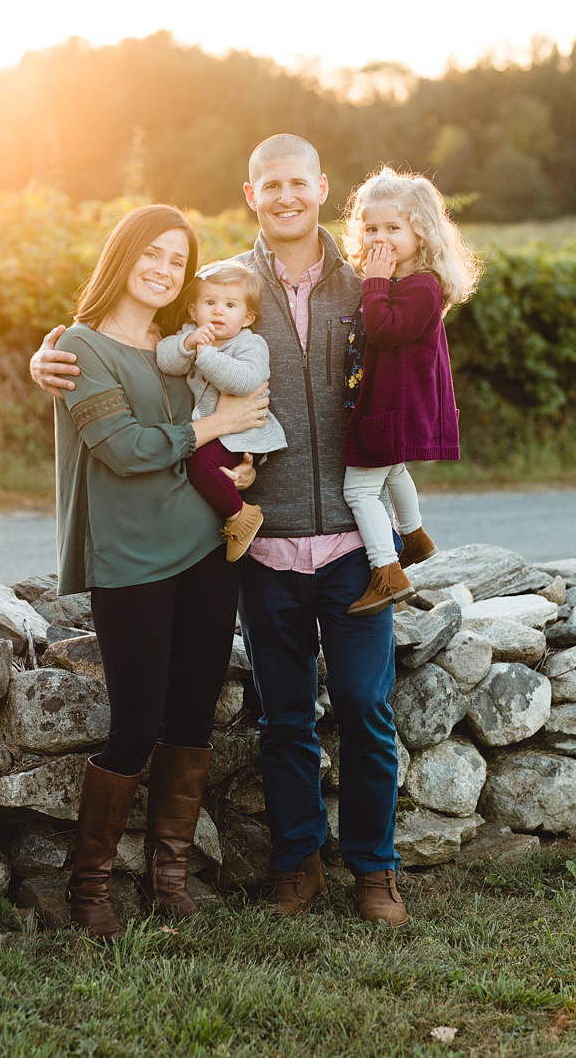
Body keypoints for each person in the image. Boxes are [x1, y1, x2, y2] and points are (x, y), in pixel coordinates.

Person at [32, 135, 410, 926]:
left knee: (359, 709)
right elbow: (138, 367)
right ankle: (285, 866)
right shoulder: (227, 291)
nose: (285, 196)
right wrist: (48, 355)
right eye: (270, 183)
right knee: (274, 720)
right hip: (253, 547)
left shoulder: (365, 282)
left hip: (323, 538)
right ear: (250, 192)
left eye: (297, 183)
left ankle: (368, 873)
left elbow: (423, 329)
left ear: (320, 187)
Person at [53, 204, 270, 939]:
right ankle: (89, 889)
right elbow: (128, 448)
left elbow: (211, 421)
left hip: (208, 546)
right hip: (131, 557)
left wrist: (235, 463)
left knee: (191, 714)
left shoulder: (185, 342)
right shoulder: (78, 345)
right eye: (152, 253)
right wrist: (218, 426)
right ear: (123, 255)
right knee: (135, 722)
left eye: (177, 261)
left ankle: (167, 876)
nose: (164, 270)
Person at [338, 168, 480, 616]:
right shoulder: (407, 282)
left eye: (393, 228)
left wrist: (374, 282)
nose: (381, 238)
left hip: (392, 410)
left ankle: (386, 571)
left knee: (358, 491)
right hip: (390, 405)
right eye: (372, 228)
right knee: (394, 470)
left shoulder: (422, 286)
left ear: (421, 233)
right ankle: (415, 535)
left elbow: (383, 331)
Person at [155, 260, 286, 560]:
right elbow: (165, 359)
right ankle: (233, 513)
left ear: (247, 316)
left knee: (200, 464)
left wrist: (206, 357)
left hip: (244, 431)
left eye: (230, 305)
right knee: (200, 465)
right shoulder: (192, 334)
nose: (218, 311)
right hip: (213, 429)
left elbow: (245, 381)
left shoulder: (250, 344)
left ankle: (240, 516)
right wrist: (187, 344)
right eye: (210, 302)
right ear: (193, 311)